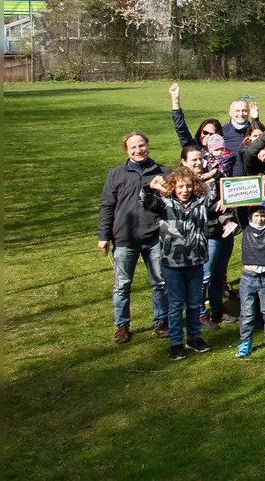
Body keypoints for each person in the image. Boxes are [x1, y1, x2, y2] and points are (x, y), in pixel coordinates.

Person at [139, 166, 222, 360]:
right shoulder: (163, 203)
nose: (185, 190)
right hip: (172, 262)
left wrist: (212, 175)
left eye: (188, 186)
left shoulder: (201, 202)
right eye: (180, 187)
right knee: (176, 305)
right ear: (173, 187)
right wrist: (149, 188)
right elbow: (146, 201)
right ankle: (176, 342)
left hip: (196, 261)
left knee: (194, 303)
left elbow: (217, 189)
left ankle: (194, 337)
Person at [98, 131, 169, 343]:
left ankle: (161, 321)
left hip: (154, 237)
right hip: (124, 239)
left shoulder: (163, 172)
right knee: (122, 285)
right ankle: (122, 326)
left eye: (141, 145)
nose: (138, 150)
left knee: (160, 282)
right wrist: (104, 236)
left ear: (148, 145)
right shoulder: (116, 174)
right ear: (127, 150)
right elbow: (106, 206)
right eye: (133, 147)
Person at [234, 200, 265, 358]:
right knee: (247, 313)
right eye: (257, 215)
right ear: (250, 217)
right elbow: (240, 213)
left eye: (262, 215)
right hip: (248, 277)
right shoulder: (246, 229)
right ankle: (245, 342)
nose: (260, 218)